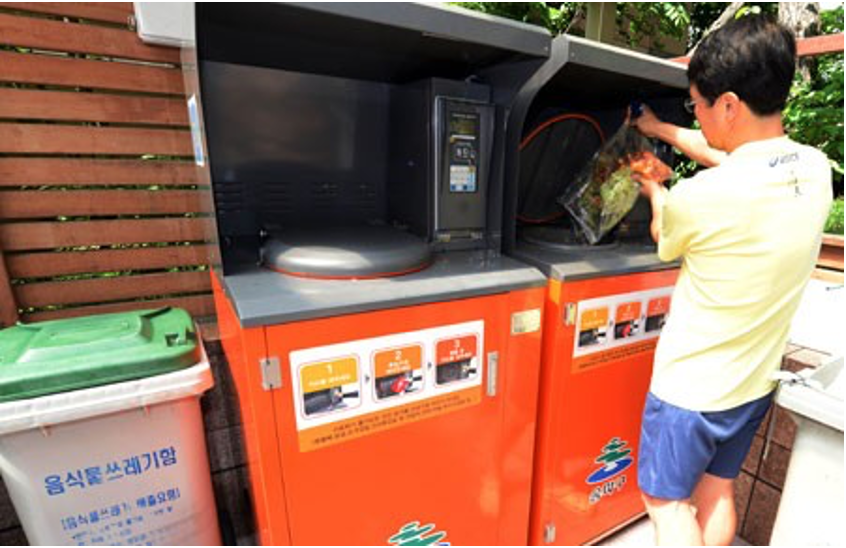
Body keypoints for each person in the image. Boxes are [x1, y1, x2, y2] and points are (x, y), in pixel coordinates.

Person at [630, 14, 833, 546]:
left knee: (666, 503)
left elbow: (663, 233)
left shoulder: (703, 197)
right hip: (752, 384)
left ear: (728, 106)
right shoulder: (815, 171)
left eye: (696, 104)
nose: (694, 113)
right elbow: (730, 154)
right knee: (717, 490)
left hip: (690, 388)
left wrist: (655, 187)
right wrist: (661, 130)